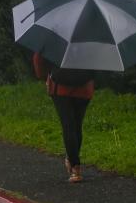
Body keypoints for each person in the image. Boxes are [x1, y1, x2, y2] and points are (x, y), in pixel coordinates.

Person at [32, 52, 94, 183]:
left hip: (60, 88)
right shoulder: (89, 37)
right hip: (84, 88)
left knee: (68, 126)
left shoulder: (55, 35)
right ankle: (74, 163)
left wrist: (44, 76)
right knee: (77, 126)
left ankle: (74, 167)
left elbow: (38, 57)